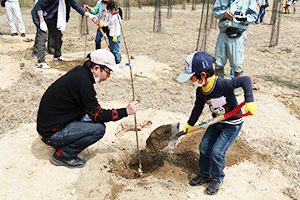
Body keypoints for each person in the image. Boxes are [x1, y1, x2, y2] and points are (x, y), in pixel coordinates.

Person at [37, 49, 139, 168]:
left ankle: (64, 144)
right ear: (96, 68)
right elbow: (98, 115)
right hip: (50, 134)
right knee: (99, 129)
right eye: (108, 72)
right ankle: (63, 154)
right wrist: (125, 111)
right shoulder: (83, 83)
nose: (109, 76)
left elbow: (91, 111)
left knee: (90, 119)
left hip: (51, 125)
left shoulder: (80, 74)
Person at [177, 51, 257, 195]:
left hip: (232, 124)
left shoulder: (223, 84)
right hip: (216, 122)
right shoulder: (201, 91)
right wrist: (190, 123)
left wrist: (249, 101)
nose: (190, 80)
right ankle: (205, 173)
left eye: (191, 77)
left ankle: (217, 178)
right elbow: (198, 107)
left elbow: (245, 80)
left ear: (202, 75)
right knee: (204, 147)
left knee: (217, 151)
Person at [31, 0, 99, 69]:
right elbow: (39, 7)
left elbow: (77, 7)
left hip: (53, 18)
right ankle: (41, 62)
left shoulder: (68, 0)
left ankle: (57, 56)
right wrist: (42, 21)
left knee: (58, 36)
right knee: (43, 37)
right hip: (40, 16)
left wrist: (90, 16)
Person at [212, 0, 257, 96]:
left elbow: (253, 16)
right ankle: (219, 87)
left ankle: (236, 90)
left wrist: (244, 18)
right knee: (218, 62)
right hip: (223, 33)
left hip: (237, 35)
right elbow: (215, 12)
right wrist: (223, 14)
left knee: (237, 64)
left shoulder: (249, 1)